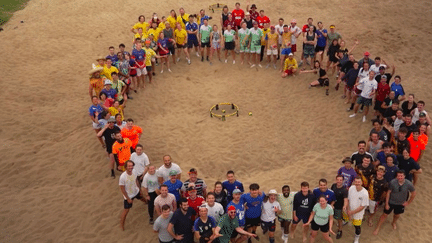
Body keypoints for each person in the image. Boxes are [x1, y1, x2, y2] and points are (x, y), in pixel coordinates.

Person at [373, 171, 416, 235]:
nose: (400, 177)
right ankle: (378, 227)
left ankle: (393, 222)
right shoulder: (393, 182)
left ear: (404, 176)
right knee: (384, 215)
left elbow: (413, 194)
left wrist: (408, 202)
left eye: (401, 176)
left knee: (397, 215)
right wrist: (387, 204)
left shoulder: (409, 184)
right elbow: (388, 193)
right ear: (396, 176)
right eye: (398, 176)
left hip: (401, 203)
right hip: (391, 201)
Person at [119, 160, 143, 231]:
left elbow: (136, 180)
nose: (131, 167)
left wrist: (139, 189)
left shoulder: (134, 171)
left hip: (136, 191)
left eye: (132, 166)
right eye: (129, 166)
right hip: (129, 195)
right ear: (126, 167)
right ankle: (121, 225)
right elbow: (122, 189)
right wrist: (128, 198)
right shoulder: (122, 177)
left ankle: (146, 203)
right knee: (126, 210)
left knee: (142, 198)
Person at [347, 177, 369, 243]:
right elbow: (348, 200)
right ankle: (347, 221)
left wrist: (351, 212)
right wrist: (348, 210)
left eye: (359, 182)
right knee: (347, 219)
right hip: (349, 210)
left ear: (362, 183)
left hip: (358, 214)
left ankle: (357, 238)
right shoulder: (351, 188)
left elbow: (362, 206)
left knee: (357, 226)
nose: (357, 183)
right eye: (356, 182)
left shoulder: (365, 193)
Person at [330, 175, 348, 239]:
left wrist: (345, 206)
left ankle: (340, 230)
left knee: (339, 219)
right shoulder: (333, 186)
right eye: (338, 180)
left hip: (339, 207)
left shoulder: (344, 190)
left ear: (343, 181)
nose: (339, 181)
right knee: (330, 217)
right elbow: (331, 194)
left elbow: (345, 199)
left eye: (340, 180)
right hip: (331, 205)